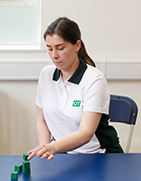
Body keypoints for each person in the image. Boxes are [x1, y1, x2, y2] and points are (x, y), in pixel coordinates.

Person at [28, 17, 123, 161]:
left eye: (60, 48)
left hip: (99, 156)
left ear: (77, 45)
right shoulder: (46, 74)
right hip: (64, 154)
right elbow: (41, 120)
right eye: (49, 49)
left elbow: (86, 132)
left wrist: (53, 147)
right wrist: (45, 148)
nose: (54, 55)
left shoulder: (94, 79)